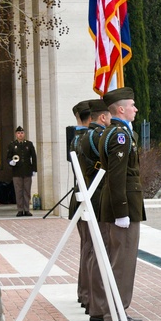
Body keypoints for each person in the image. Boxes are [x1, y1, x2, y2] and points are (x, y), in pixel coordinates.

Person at [95, 87, 146, 321]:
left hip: (122, 205)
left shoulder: (117, 132)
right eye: (132, 105)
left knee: (120, 260)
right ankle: (116, 313)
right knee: (123, 262)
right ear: (121, 109)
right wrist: (122, 212)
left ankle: (114, 311)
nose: (136, 109)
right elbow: (117, 177)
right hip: (123, 207)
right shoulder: (120, 135)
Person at [81, 100, 111, 321]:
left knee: (92, 250)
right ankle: (98, 305)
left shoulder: (83, 136)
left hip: (92, 194)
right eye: (109, 116)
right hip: (99, 196)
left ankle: (91, 300)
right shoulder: (98, 136)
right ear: (103, 117)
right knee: (100, 251)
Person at [68, 101, 92, 309]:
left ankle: (84, 293)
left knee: (87, 248)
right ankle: (87, 294)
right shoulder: (86, 138)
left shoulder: (76, 138)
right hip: (87, 199)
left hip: (79, 198)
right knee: (90, 248)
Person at [6, 125, 37, 216]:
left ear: (24, 134)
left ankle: (26, 209)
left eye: (22, 133)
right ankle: (20, 209)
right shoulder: (12, 145)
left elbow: (34, 157)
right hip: (17, 171)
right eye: (19, 133)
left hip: (27, 171)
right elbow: (8, 157)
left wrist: (34, 169)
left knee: (27, 191)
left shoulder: (29, 144)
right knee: (18, 191)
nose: (20, 134)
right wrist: (10, 162)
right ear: (16, 134)